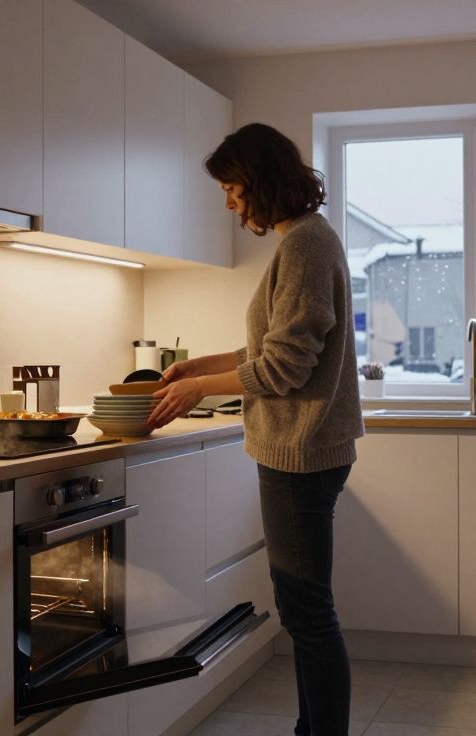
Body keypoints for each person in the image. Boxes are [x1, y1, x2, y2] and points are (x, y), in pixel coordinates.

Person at [147, 122, 363, 736]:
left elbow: (283, 368)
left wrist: (195, 390)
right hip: (303, 447)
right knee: (303, 608)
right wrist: (201, 366)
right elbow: (269, 348)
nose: (228, 202)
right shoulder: (303, 241)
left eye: (233, 187)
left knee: (307, 611)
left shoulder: (305, 246)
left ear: (261, 181)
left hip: (301, 449)